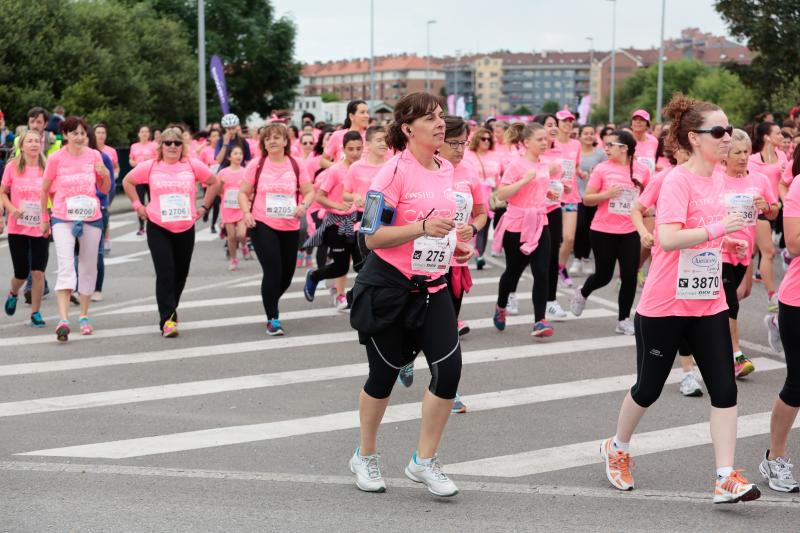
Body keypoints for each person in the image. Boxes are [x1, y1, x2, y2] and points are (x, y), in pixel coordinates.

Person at [600, 94, 759, 504]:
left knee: (725, 390)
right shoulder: (677, 180)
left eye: (729, 130)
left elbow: (725, 227)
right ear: (695, 137)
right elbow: (668, 238)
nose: (727, 139)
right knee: (648, 389)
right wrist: (717, 228)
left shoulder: (726, 179)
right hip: (665, 304)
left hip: (708, 302)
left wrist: (741, 230)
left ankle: (725, 475)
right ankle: (617, 446)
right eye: (719, 132)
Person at [347, 92, 471, 497]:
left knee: (449, 372)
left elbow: (442, 227)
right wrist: (422, 229)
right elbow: (372, 235)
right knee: (382, 377)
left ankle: (424, 460)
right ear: (407, 128)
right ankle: (365, 454)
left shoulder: (446, 169)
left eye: (440, 116)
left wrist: (457, 241)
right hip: (389, 288)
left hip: (433, 286)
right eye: (431, 118)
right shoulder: (390, 174)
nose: (440, 123)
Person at [122, 126, 218, 337]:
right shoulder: (151, 166)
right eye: (168, 143)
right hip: (159, 225)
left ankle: (170, 309)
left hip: (185, 225)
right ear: (161, 146)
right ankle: (168, 319)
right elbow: (127, 181)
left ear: (182, 147)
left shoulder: (192, 165)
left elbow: (214, 182)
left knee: (180, 274)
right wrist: (138, 205)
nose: (173, 146)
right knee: (165, 271)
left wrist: (204, 207)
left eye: (177, 143)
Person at [631, 144, 705, 397]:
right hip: (668, 260)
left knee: (690, 317)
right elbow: (637, 209)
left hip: (699, 262)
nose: (690, 156)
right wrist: (643, 233)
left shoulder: (707, 178)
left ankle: (688, 373)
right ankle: (682, 375)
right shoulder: (664, 178)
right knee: (673, 317)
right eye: (685, 151)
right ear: (677, 152)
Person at [571, 130, 650, 335]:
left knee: (629, 275)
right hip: (602, 230)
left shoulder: (641, 170)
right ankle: (583, 292)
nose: (605, 149)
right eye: (605, 145)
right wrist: (608, 194)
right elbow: (587, 199)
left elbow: (649, 197)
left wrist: (648, 208)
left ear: (624, 148)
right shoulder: (602, 169)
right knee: (604, 275)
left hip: (630, 230)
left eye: (610, 145)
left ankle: (623, 319)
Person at [40, 116, 111, 342]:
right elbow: (44, 189)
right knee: (65, 263)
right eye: (75, 133)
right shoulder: (55, 158)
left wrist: (106, 175)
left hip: (91, 216)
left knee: (88, 265)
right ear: (66, 135)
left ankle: (83, 315)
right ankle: (63, 320)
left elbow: (105, 189)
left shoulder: (95, 155)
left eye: (83, 133)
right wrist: (45, 217)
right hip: (63, 216)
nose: (80, 137)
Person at [239, 123, 314, 336]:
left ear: (285, 141)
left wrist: (303, 206)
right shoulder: (257, 164)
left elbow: (309, 191)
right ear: (263, 143)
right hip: (262, 223)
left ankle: (269, 298)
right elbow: (243, 192)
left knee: (286, 275)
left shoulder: (296, 164)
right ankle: (273, 319)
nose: (272, 141)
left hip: (289, 224)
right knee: (272, 270)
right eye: (267, 138)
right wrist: (246, 213)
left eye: (276, 137)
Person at [720, 129, 779, 380]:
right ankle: (736, 357)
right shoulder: (715, 178)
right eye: (737, 152)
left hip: (744, 251)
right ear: (725, 156)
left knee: (733, 298)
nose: (743, 157)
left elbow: (774, 210)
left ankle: (703, 332)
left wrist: (767, 207)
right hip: (719, 249)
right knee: (730, 304)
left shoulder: (759, 181)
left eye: (746, 152)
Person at [492, 122, 558, 337]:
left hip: (540, 221)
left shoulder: (544, 164)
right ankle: (501, 307)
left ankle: (540, 321)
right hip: (517, 224)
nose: (544, 142)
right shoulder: (517, 165)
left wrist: (550, 194)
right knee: (513, 272)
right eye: (539, 139)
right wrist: (525, 180)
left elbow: (538, 189)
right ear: (526, 142)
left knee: (542, 271)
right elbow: (502, 195)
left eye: (545, 138)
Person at [760, 147, 800, 493]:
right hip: (799, 300)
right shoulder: (799, 185)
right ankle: (775, 457)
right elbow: (794, 243)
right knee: (798, 384)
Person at [303, 131, 364, 309]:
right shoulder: (336, 170)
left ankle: (357, 300)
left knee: (363, 266)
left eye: (359, 149)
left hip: (358, 223)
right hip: (337, 224)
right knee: (340, 268)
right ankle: (314, 276)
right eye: (351, 149)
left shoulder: (363, 168)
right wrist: (337, 206)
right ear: (343, 149)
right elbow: (319, 197)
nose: (355, 153)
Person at [1, 130, 48, 326]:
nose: (34, 144)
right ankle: (13, 293)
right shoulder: (12, 167)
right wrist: (11, 209)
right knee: (21, 273)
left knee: (38, 272)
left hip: (40, 225)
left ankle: (35, 313)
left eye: (37, 141)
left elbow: (55, 193)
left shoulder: (47, 168)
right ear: (22, 145)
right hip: (18, 226)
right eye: (30, 141)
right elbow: (3, 192)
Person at [749, 121, 788, 312]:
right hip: (760, 210)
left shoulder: (782, 157)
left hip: (777, 209)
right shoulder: (753, 160)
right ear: (767, 137)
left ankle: (739, 283)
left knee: (750, 253)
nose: (782, 137)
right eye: (778, 133)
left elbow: (787, 181)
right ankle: (772, 297)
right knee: (769, 252)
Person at [569, 124, 606, 277]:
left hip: (594, 196)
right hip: (577, 195)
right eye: (586, 133)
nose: (589, 136)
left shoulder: (600, 154)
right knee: (579, 227)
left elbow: (606, 171)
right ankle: (577, 258)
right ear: (580, 136)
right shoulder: (575, 152)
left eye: (592, 133)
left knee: (590, 228)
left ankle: (586, 258)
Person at [550, 110, 582, 290]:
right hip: (553, 197)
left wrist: (581, 173)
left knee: (569, 238)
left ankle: (560, 267)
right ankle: (552, 269)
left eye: (571, 121)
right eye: (564, 121)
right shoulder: (550, 144)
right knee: (554, 240)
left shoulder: (576, 144)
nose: (568, 124)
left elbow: (574, 166)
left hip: (571, 196)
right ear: (557, 123)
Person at [464, 127, 503, 271]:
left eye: (489, 139)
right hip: (474, 193)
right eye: (483, 139)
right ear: (477, 140)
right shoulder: (469, 155)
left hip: (491, 195)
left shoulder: (495, 155)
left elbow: (498, 176)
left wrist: (499, 192)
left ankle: (479, 253)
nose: (486, 141)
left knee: (485, 225)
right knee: (476, 223)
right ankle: (478, 253)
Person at [212, 114, 252, 233]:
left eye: (233, 128)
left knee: (244, 199)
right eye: (228, 128)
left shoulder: (243, 141)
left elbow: (248, 160)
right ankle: (225, 223)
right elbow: (218, 160)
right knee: (223, 200)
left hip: (240, 173)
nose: (231, 130)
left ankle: (244, 229)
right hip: (225, 173)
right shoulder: (220, 141)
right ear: (225, 129)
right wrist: (225, 143)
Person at [218, 145, 250, 270]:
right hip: (228, 207)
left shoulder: (246, 172)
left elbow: (249, 189)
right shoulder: (223, 172)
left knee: (242, 234)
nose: (239, 156)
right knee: (231, 237)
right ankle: (234, 259)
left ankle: (244, 246)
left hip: (241, 207)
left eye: (240, 154)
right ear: (229, 157)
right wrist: (221, 183)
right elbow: (218, 191)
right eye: (235, 153)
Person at [322, 100, 369, 169]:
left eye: (367, 112)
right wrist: (341, 168)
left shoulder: (371, 136)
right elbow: (323, 161)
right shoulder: (337, 136)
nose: (367, 116)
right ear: (351, 116)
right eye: (362, 112)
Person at [129, 125, 157, 236]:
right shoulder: (134, 146)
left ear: (149, 134)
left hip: (151, 177)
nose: (144, 134)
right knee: (139, 202)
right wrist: (133, 163)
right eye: (142, 132)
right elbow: (131, 159)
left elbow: (159, 159)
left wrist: (149, 159)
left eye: (146, 132)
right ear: (139, 134)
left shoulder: (154, 146)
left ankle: (153, 223)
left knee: (153, 201)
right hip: (138, 178)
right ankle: (141, 226)